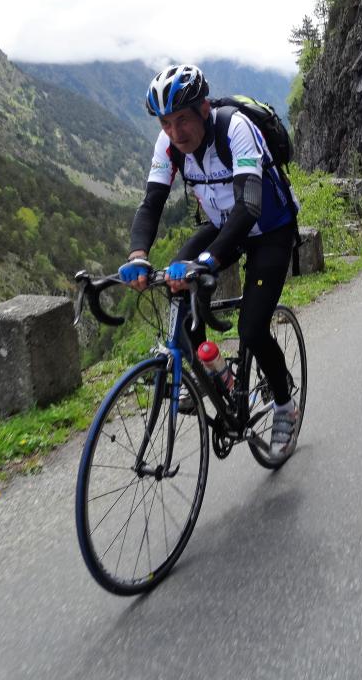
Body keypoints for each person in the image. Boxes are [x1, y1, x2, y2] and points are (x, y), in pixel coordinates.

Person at [118, 63, 300, 460]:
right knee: (175, 283)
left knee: (252, 329)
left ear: (203, 109)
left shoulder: (235, 129)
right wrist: (137, 255)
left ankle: (285, 405)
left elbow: (250, 204)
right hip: (222, 225)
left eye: (182, 119)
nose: (175, 133)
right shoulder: (166, 146)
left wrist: (209, 260)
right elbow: (151, 203)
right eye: (166, 123)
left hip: (268, 228)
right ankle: (214, 375)